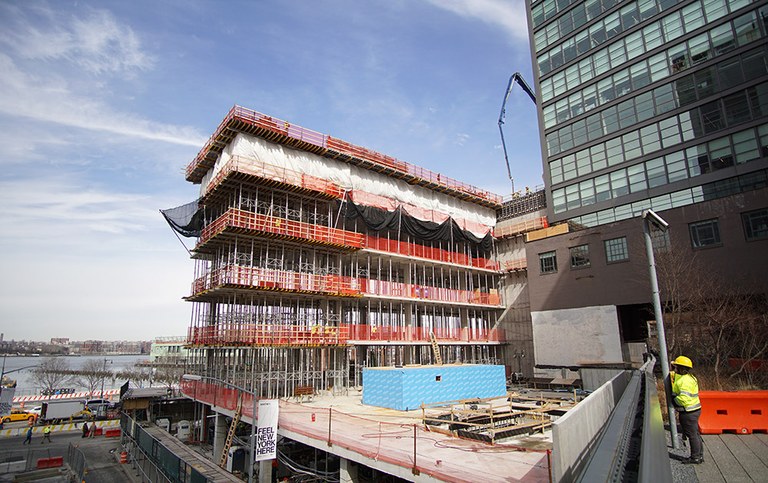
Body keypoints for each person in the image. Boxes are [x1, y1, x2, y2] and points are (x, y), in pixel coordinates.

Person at [671, 355, 703, 464]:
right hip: (695, 409)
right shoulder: (690, 377)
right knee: (696, 434)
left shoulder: (683, 381)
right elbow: (676, 377)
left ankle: (695, 457)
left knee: (692, 435)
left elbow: (683, 399)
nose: (675, 369)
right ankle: (699, 455)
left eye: (676, 367)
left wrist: (674, 399)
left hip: (688, 411)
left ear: (681, 368)